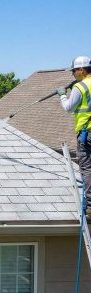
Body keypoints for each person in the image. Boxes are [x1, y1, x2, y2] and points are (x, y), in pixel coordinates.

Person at [59, 55, 91, 217]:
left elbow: (69, 108)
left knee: (86, 167)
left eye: (74, 71)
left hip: (87, 133)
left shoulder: (81, 87)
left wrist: (62, 95)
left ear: (82, 70)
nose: (72, 74)